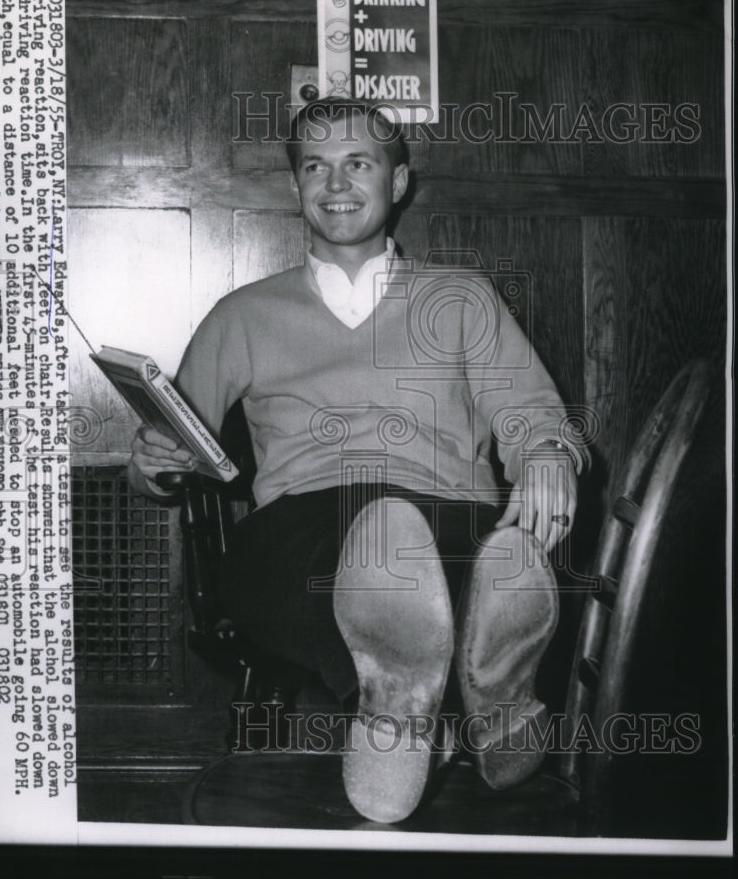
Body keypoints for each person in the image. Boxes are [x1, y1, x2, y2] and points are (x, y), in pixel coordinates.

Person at [128, 98, 587, 823]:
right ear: (295, 187)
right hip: (301, 527)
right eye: (315, 166)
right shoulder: (241, 314)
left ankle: (419, 708)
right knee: (354, 548)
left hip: (448, 521)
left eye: (358, 163)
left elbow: (533, 416)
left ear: (398, 182)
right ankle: (458, 703)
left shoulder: (462, 298)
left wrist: (550, 454)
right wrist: (150, 460)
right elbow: (172, 443)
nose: (335, 183)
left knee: (446, 550)